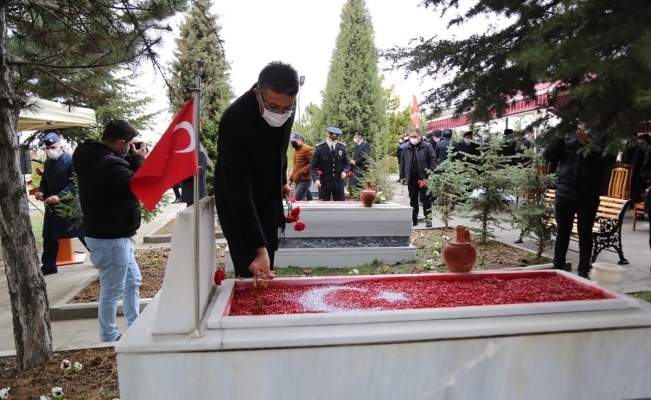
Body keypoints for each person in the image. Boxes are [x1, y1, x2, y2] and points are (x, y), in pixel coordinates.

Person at [214, 61, 298, 279]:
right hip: (238, 197)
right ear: (257, 94)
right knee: (251, 263)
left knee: (267, 256)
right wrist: (258, 250)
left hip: (269, 192)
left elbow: (281, 147)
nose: (280, 113)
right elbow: (238, 189)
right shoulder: (234, 120)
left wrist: (282, 180)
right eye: (273, 107)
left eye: (287, 108)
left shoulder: (287, 104)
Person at [73, 120, 147, 342]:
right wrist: (139, 159)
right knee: (112, 289)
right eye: (131, 144)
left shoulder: (97, 158)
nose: (133, 148)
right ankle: (108, 335)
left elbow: (121, 180)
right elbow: (137, 185)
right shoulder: (108, 164)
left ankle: (135, 324)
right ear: (121, 143)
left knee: (132, 281)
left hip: (114, 235)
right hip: (110, 238)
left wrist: (131, 158)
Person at [542, 125, 616, 279]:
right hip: (564, 191)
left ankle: (583, 271)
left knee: (585, 232)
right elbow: (549, 156)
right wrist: (559, 138)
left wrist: (588, 144)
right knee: (563, 231)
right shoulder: (567, 131)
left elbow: (608, 160)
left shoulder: (603, 133)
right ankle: (558, 267)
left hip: (588, 193)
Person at [35, 132, 86, 275]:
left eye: (53, 147)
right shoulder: (47, 163)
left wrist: (59, 196)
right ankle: (48, 267)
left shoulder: (71, 161)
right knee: (49, 237)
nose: (50, 150)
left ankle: (101, 260)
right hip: (52, 207)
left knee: (82, 233)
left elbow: (74, 184)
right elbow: (45, 182)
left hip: (69, 206)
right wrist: (41, 192)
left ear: (61, 147)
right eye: (47, 148)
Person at [400, 128, 436, 227]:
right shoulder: (407, 148)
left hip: (424, 178)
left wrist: (431, 173)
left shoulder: (427, 146)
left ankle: (428, 219)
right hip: (411, 178)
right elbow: (403, 162)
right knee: (413, 200)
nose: (413, 138)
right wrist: (402, 175)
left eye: (415, 136)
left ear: (420, 136)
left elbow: (432, 160)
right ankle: (414, 219)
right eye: (411, 137)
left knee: (426, 199)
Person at [310, 127, 350, 201]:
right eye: (331, 139)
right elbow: (313, 167)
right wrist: (316, 179)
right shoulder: (319, 148)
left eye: (335, 140)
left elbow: (347, 164)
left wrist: (344, 172)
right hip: (324, 183)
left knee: (340, 206)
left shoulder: (342, 148)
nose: (333, 142)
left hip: (338, 183)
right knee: (324, 206)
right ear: (327, 136)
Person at [288, 132, 314, 201]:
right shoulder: (296, 151)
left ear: (300, 139)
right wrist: (290, 180)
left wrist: (301, 172)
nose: (292, 143)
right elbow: (295, 167)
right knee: (307, 200)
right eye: (291, 141)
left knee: (296, 201)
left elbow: (313, 164)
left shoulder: (308, 149)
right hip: (298, 180)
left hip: (304, 180)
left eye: (294, 141)